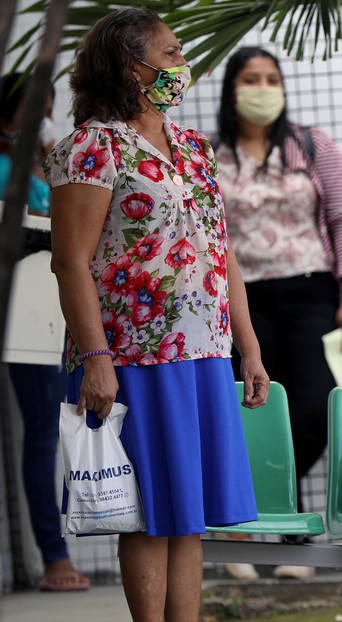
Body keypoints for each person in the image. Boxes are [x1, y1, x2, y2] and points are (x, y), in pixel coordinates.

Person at [44, 8, 268, 620]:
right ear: (129, 65)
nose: (181, 66)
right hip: (131, 356)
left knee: (186, 512)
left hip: (203, 352)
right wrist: (96, 360)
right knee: (145, 512)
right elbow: (71, 263)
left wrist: (247, 348)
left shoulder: (195, 148)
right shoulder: (90, 147)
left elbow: (222, 257)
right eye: (169, 54)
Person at [215, 46, 342, 581]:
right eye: (251, 78)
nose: (263, 87)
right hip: (241, 302)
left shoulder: (310, 144)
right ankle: (260, 529)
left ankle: (272, 514)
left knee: (314, 409)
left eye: (272, 78)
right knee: (253, 409)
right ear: (232, 89)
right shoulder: (209, 155)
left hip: (311, 294)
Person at [0, 73, 91, 592]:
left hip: (68, 310)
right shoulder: (4, 167)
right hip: (29, 315)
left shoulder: (46, 156)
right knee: (41, 430)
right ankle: (53, 555)